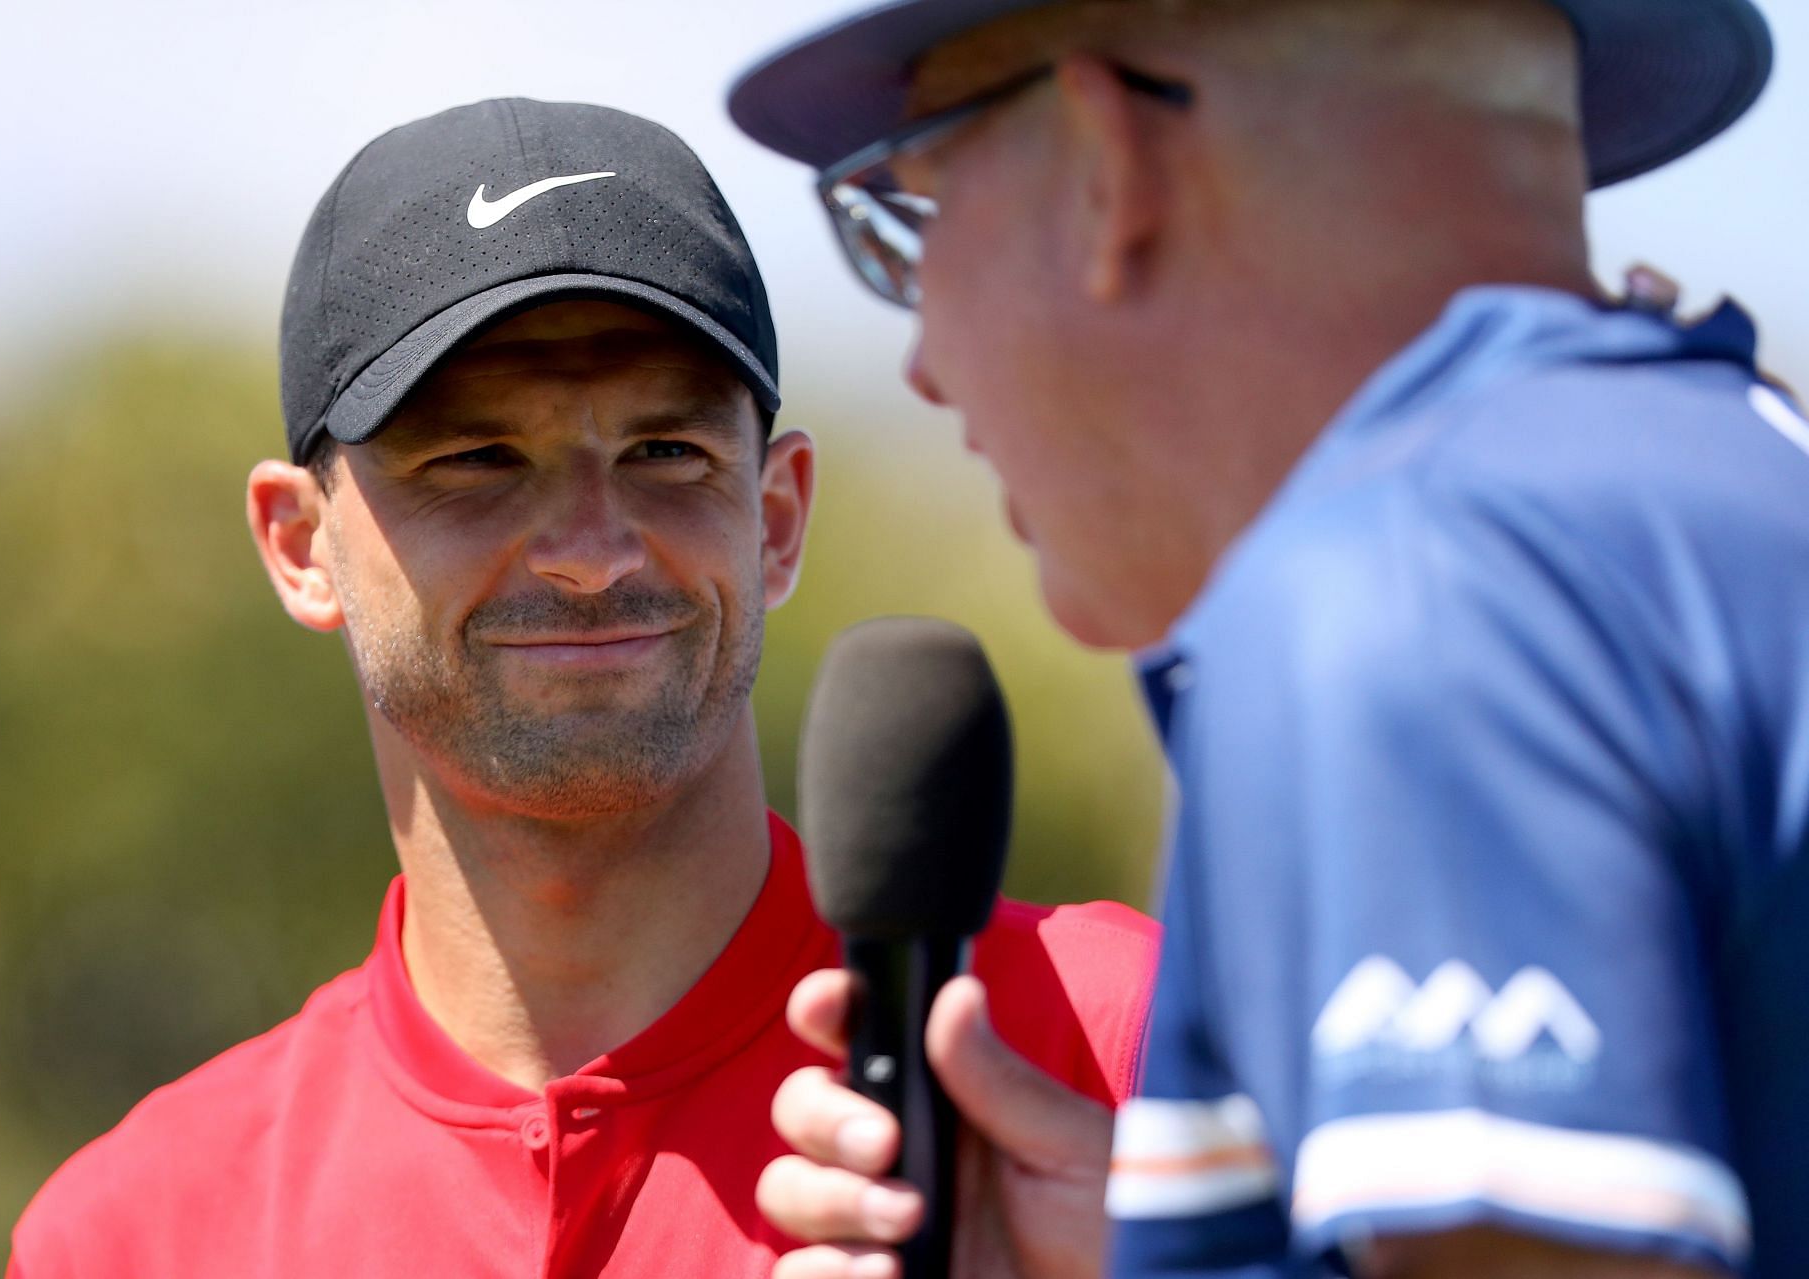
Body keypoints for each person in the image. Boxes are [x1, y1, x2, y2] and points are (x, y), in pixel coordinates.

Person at [726, 1, 1806, 1277]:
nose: (925, 365)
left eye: (919, 217)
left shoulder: (1412, 591)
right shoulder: (1736, 480)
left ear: (1105, 162)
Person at [5, 97, 1160, 1279]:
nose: (593, 550)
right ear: (301, 544)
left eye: (667, 454)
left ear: (774, 517)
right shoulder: (137, 1232)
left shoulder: (1122, 1054)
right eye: (476, 461)